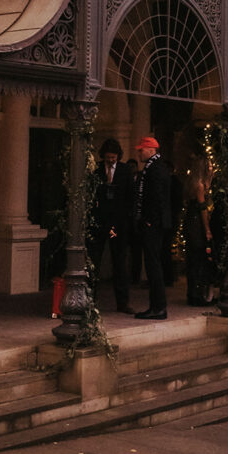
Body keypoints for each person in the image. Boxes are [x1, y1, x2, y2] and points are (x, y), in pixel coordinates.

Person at [88, 138, 136, 314]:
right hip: (100, 223)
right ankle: (90, 301)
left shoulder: (124, 171)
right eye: (108, 157)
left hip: (116, 226)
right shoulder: (96, 171)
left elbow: (131, 196)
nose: (110, 160)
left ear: (118, 156)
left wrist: (126, 218)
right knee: (94, 260)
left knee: (119, 262)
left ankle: (122, 302)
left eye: (113, 157)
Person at [134, 136, 171, 320]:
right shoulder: (156, 167)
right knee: (152, 264)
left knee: (153, 264)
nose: (139, 153)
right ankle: (156, 306)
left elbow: (157, 197)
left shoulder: (155, 169)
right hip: (155, 222)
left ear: (150, 149)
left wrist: (150, 220)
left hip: (153, 224)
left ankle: (158, 307)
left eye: (141, 150)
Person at [183, 155, 215, 306]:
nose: (211, 168)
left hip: (190, 220)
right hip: (196, 222)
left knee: (194, 258)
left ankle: (193, 292)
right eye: (209, 166)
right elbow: (202, 208)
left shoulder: (193, 183)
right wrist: (207, 228)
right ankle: (196, 294)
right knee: (198, 258)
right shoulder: (200, 186)